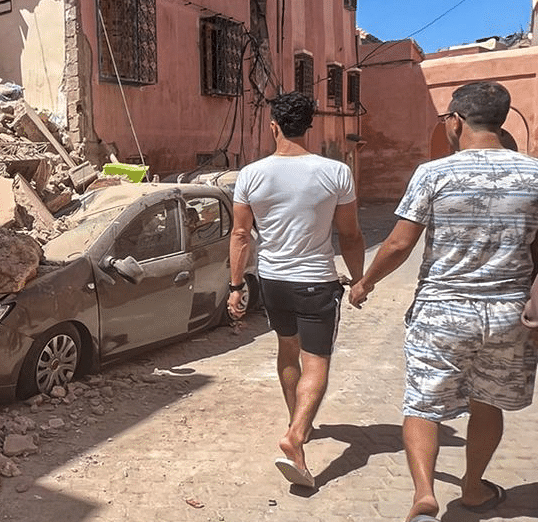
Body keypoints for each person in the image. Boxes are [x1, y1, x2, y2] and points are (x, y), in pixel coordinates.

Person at [349, 81, 538, 522]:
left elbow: (398, 243)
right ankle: (472, 491)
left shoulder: (434, 174)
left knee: (422, 403)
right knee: (487, 402)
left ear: (455, 120)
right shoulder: (534, 175)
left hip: (442, 313)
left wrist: (365, 283)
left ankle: (424, 496)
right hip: (508, 312)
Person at [228, 91, 365, 488]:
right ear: (310, 126)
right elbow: (351, 234)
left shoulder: (251, 174)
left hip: (273, 281)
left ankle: (295, 421)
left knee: (287, 350)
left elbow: (241, 235)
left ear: (273, 127)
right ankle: (296, 435)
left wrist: (236, 286)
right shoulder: (335, 171)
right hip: (316, 282)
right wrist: (358, 279)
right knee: (317, 361)